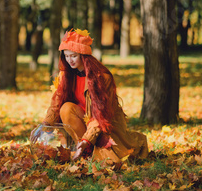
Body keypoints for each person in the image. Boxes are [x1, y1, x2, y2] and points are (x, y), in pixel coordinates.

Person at [43, 29, 148, 163]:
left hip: (102, 124)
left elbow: (101, 115)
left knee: (111, 161)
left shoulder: (102, 78)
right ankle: (85, 151)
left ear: (83, 55)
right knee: (65, 108)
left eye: (73, 56)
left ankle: (128, 143)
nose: (70, 60)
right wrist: (46, 125)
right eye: (66, 56)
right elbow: (56, 103)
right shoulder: (66, 75)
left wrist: (88, 139)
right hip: (79, 120)